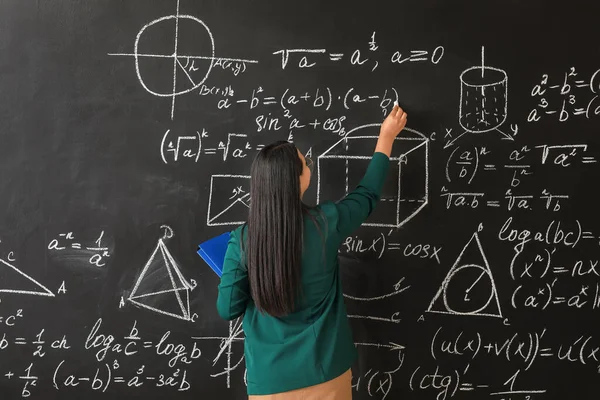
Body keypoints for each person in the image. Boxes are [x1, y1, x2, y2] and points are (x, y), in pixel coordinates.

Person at [216, 105, 408, 399]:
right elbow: (367, 195)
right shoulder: (325, 224)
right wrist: (386, 137)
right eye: (305, 164)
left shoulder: (242, 240)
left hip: (269, 382)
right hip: (326, 375)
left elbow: (227, 308)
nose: (309, 167)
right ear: (295, 180)